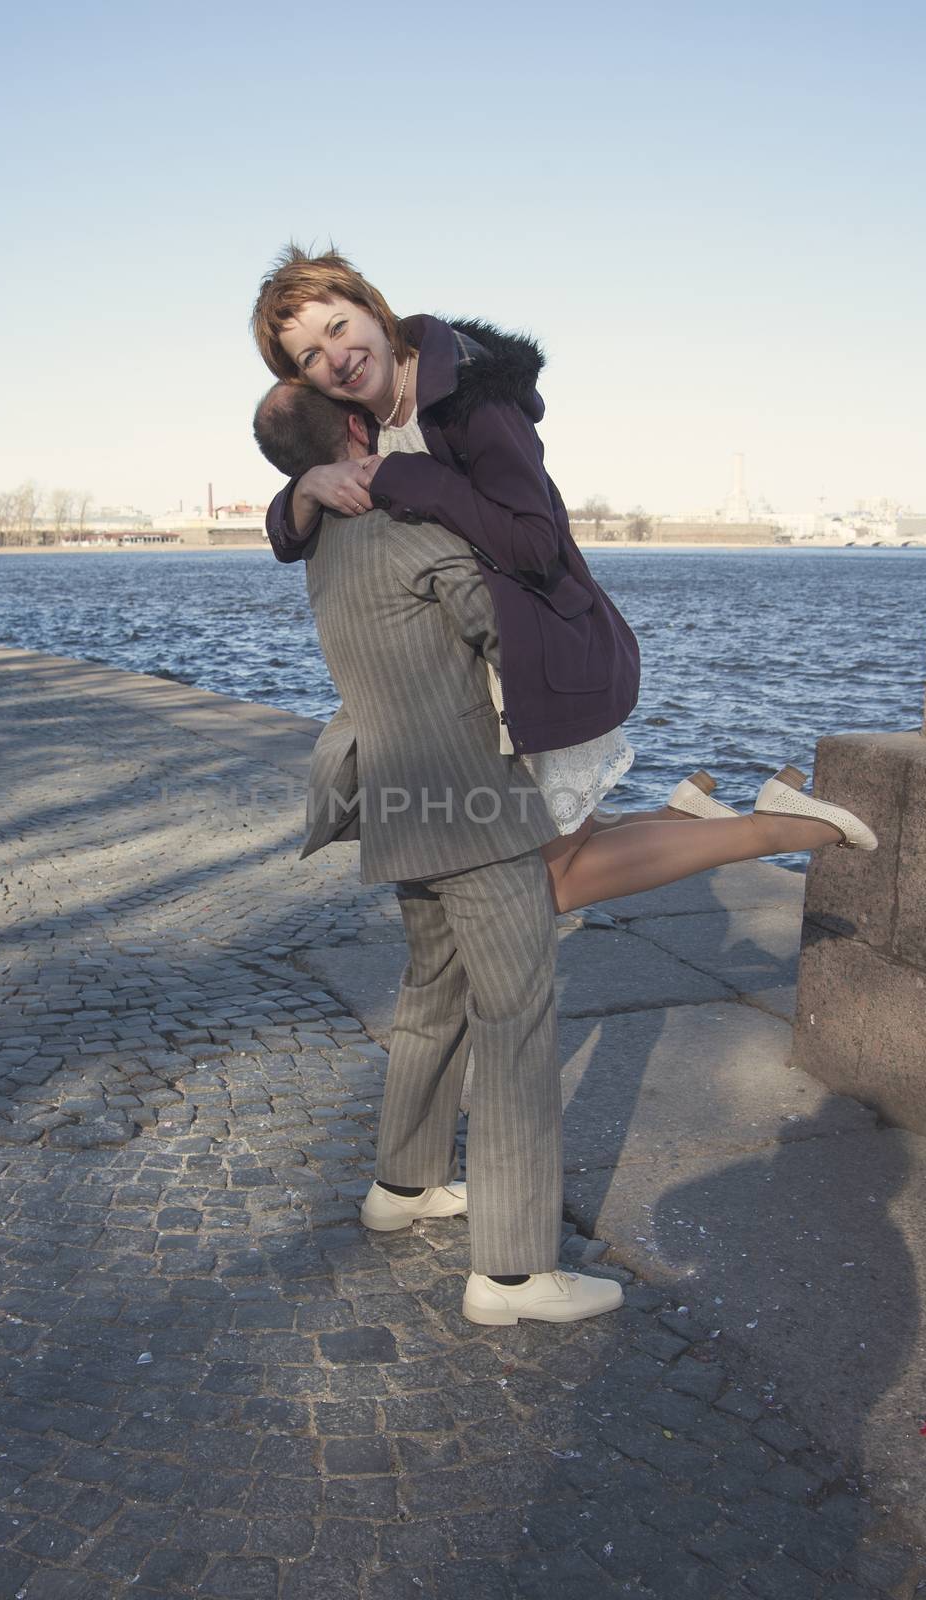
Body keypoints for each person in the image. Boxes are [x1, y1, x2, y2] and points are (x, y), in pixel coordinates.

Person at [250, 247, 877, 915]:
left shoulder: (471, 400)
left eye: (338, 328)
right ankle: (690, 815)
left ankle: (785, 827)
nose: (335, 357)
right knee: (563, 843)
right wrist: (306, 489)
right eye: (310, 356)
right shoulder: (368, 422)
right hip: (482, 684)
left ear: (373, 308)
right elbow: (290, 541)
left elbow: (534, 541)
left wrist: (417, 480)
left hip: (541, 656)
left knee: (553, 881)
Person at [253, 380, 624, 1329]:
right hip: (467, 803)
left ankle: (404, 1185)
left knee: (433, 994)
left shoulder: (324, 542)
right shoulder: (409, 531)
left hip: (399, 801)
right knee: (518, 1024)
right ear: (351, 432)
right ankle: (511, 1276)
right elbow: (505, 630)